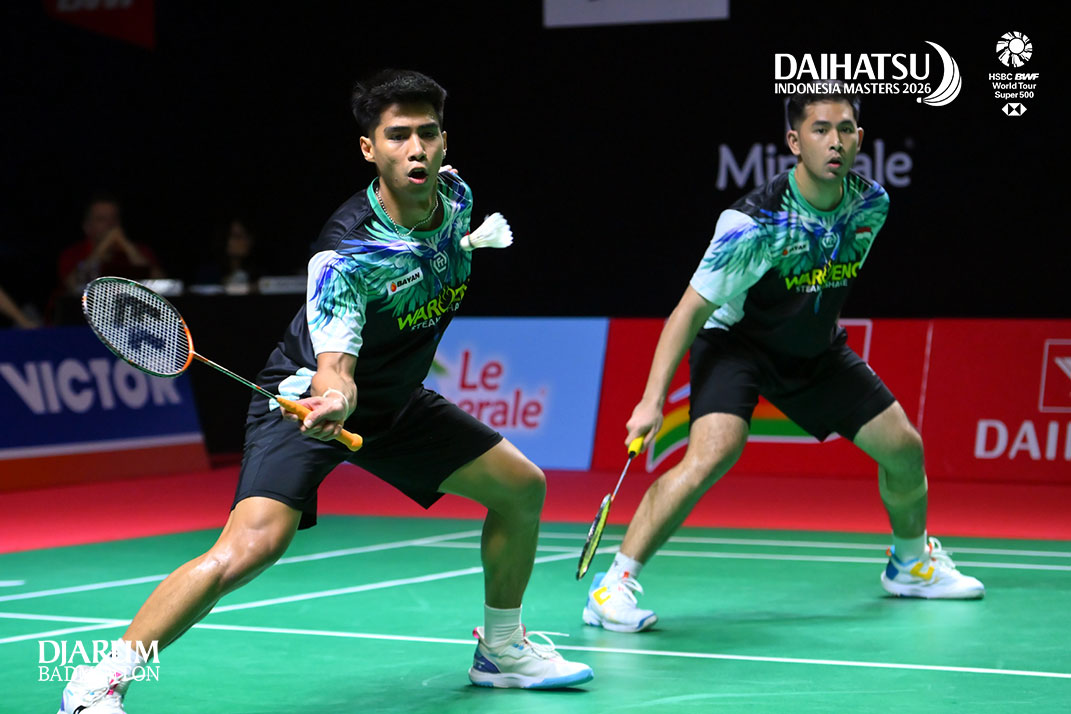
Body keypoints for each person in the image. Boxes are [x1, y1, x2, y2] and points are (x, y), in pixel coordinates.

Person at [59, 69, 592, 714]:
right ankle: (98, 682)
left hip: (395, 402)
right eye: (397, 136)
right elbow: (335, 365)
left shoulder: (454, 196)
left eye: (427, 133)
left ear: (445, 142)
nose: (416, 149)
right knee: (250, 549)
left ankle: (501, 649)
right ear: (369, 149)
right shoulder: (347, 254)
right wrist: (335, 398)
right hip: (305, 399)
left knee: (522, 487)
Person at [582, 86, 984, 634]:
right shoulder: (753, 224)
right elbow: (688, 311)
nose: (834, 141)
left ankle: (911, 566)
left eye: (845, 129)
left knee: (904, 449)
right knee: (712, 452)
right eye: (820, 130)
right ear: (795, 141)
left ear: (859, 139)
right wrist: (651, 402)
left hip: (812, 349)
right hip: (737, 343)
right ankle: (613, 586)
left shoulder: (871, 205)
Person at [57, 192, 165, 296]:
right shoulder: (73, 253)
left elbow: (163, 285)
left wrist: (129, 248)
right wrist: (103, 248)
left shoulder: (140, 251)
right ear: (87, 227)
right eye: (101, 219)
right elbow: (72, 285)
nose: (110, 224)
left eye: (114, 218)